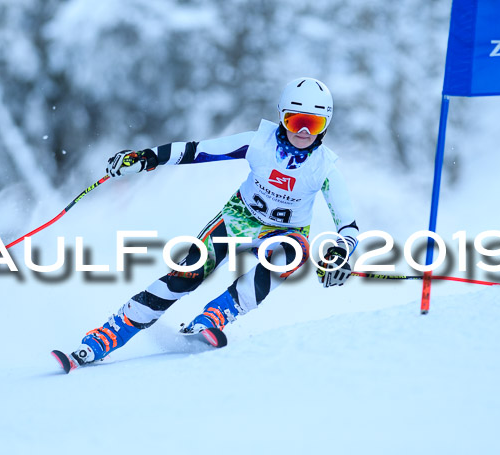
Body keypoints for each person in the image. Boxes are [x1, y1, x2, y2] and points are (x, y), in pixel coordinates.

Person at [65, 77, 359, 368]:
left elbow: (348, 227)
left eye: (315, 124)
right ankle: (107, 336)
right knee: (185, 276)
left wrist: (339, 254)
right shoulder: (258, 143)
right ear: (282, 117)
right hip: (238, 220)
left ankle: (213, 318)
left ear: (326, 126)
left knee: (296, 252)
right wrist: (145, 158)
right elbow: (196, 151)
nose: (304, 132)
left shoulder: (325, 168)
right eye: (296, 122)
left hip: (285, 233)